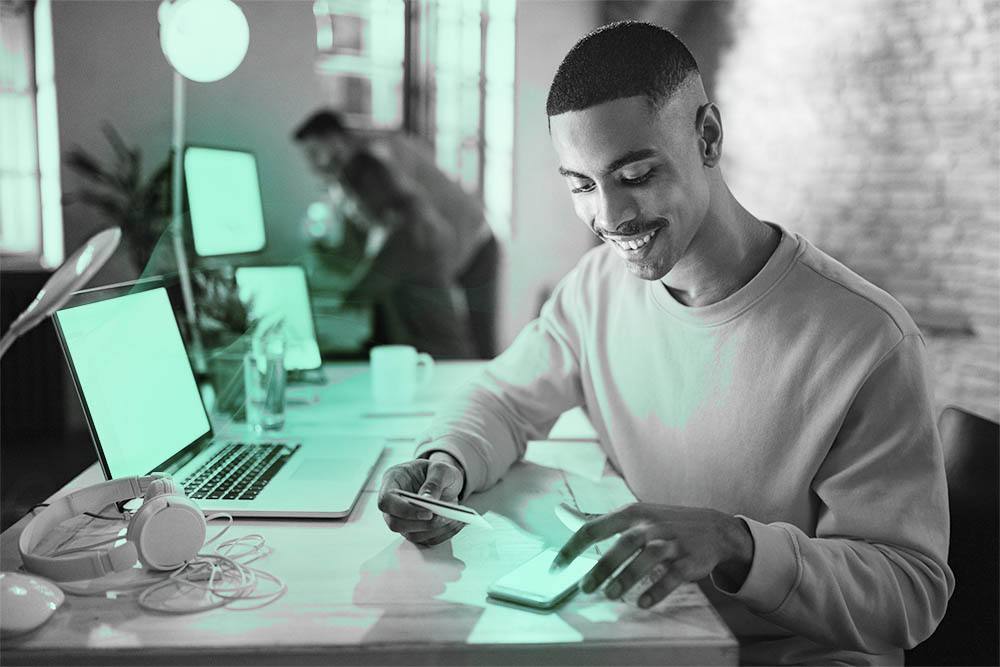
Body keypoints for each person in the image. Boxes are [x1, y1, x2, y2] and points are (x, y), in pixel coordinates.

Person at [375, 21, 953, 665]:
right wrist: (447, 464)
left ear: (707, 137)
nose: (611, 217)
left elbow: (910, 595)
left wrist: (738, 544)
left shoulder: (868, 336)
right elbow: (504, 398)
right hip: (652, 638)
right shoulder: (596, 288)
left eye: (637, 173)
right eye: (581, 185)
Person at [293, 110, 499, 359]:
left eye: (315, 153)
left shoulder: (383, 157)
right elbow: (364, 243)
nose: (313, 165)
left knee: (478, 343)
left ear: (335, 139)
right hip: (439, 248)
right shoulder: (354, 175)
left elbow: (397, 229)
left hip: (474, 242)